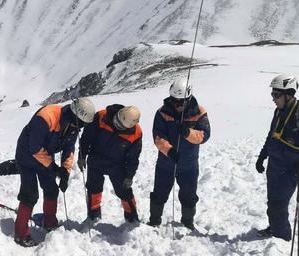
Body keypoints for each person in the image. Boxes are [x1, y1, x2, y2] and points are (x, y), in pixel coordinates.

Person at [13, 98, 96, 247]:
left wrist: (65, 171)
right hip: (26, 157)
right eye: (81, 124)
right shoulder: (46, 117)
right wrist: (54, 168)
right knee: (29, 194)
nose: (81, 128)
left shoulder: (72, 125)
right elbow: (35, 148)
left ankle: (49, 222)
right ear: (76, 116)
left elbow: (69, 149)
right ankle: (20, 234)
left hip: (45, 157)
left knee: (52, 190)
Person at [255, 74, 299, 241]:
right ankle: (275, 228)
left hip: (290, 168)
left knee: (279, 205)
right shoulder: (279, 111)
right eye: (272, 94)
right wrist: (262, 156)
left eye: (276, 95)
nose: (273, 99)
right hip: (274, 165)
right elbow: (272, 135)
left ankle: (282, 239)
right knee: (273, 202)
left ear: (289, 94)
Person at [148, 77, 210, 229]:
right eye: (174, 100)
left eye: (180, 102)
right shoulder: (162, 113)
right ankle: (155, 220)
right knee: (159, 193)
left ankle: (188, 222)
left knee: (189, 195)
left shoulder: (199, 112)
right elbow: (158, 137)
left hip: (189, 164)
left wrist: (188, 132)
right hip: (166, 162)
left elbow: (204, 135)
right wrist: (169, 151)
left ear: (188, 98)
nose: (177, 105)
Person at [79, 104, 143, 223]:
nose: (115, 124)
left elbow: (133, 158)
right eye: (116, 120)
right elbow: (87, 137)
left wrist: (129, 176)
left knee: (124, 191)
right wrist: (82, 155)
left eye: (120, 125)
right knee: (93, 187)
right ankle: (94, 215)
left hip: (117, 164)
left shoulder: (136, 134)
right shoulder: (102, 116)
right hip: (96, 159)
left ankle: (132, 217)